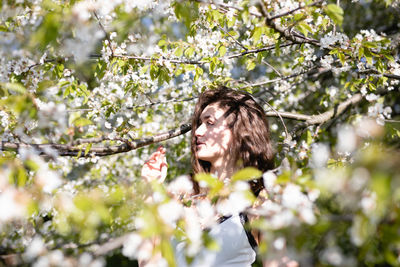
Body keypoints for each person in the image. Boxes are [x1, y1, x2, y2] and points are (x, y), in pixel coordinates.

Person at [141, 86, 276, 266]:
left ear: (239, 132)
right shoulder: (180, 194)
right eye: (199, 123)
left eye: (210, 123)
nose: (197, 132)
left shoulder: (257, 202)